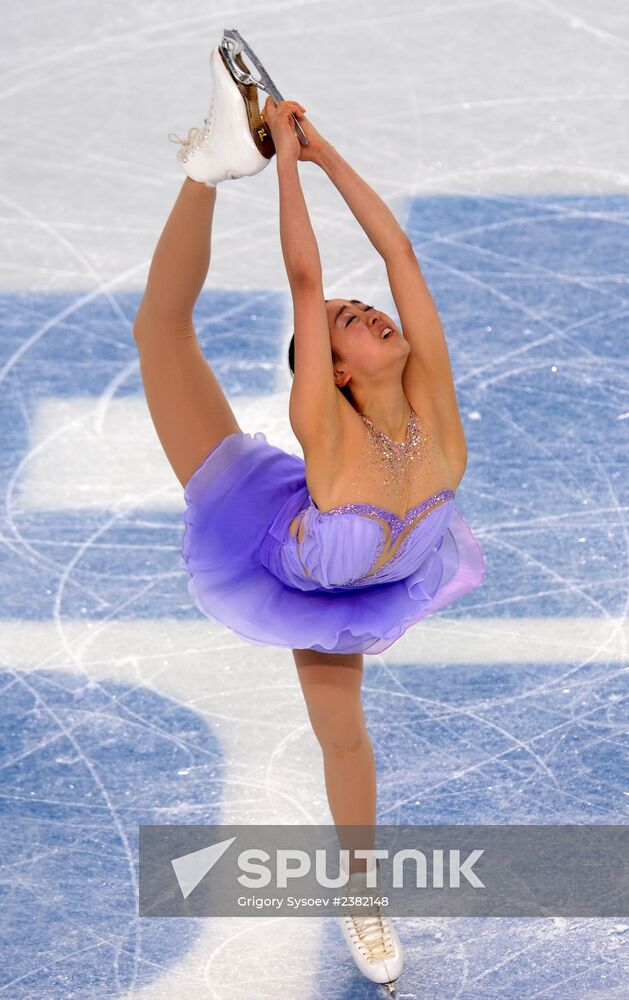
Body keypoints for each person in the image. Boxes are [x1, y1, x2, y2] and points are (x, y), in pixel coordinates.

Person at [133, 42, 485, 991]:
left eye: (362, 309)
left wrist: (324, 155)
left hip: (370, 577)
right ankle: (207, 168)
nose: (366, 311)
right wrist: (282, 165)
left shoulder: (436, 412)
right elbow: (303, 276)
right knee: (159, 332)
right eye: (346, 321)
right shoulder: (322, 428)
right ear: (328, 372)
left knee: (344, 739)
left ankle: (361, 898)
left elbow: (398, 254)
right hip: (276, 548)